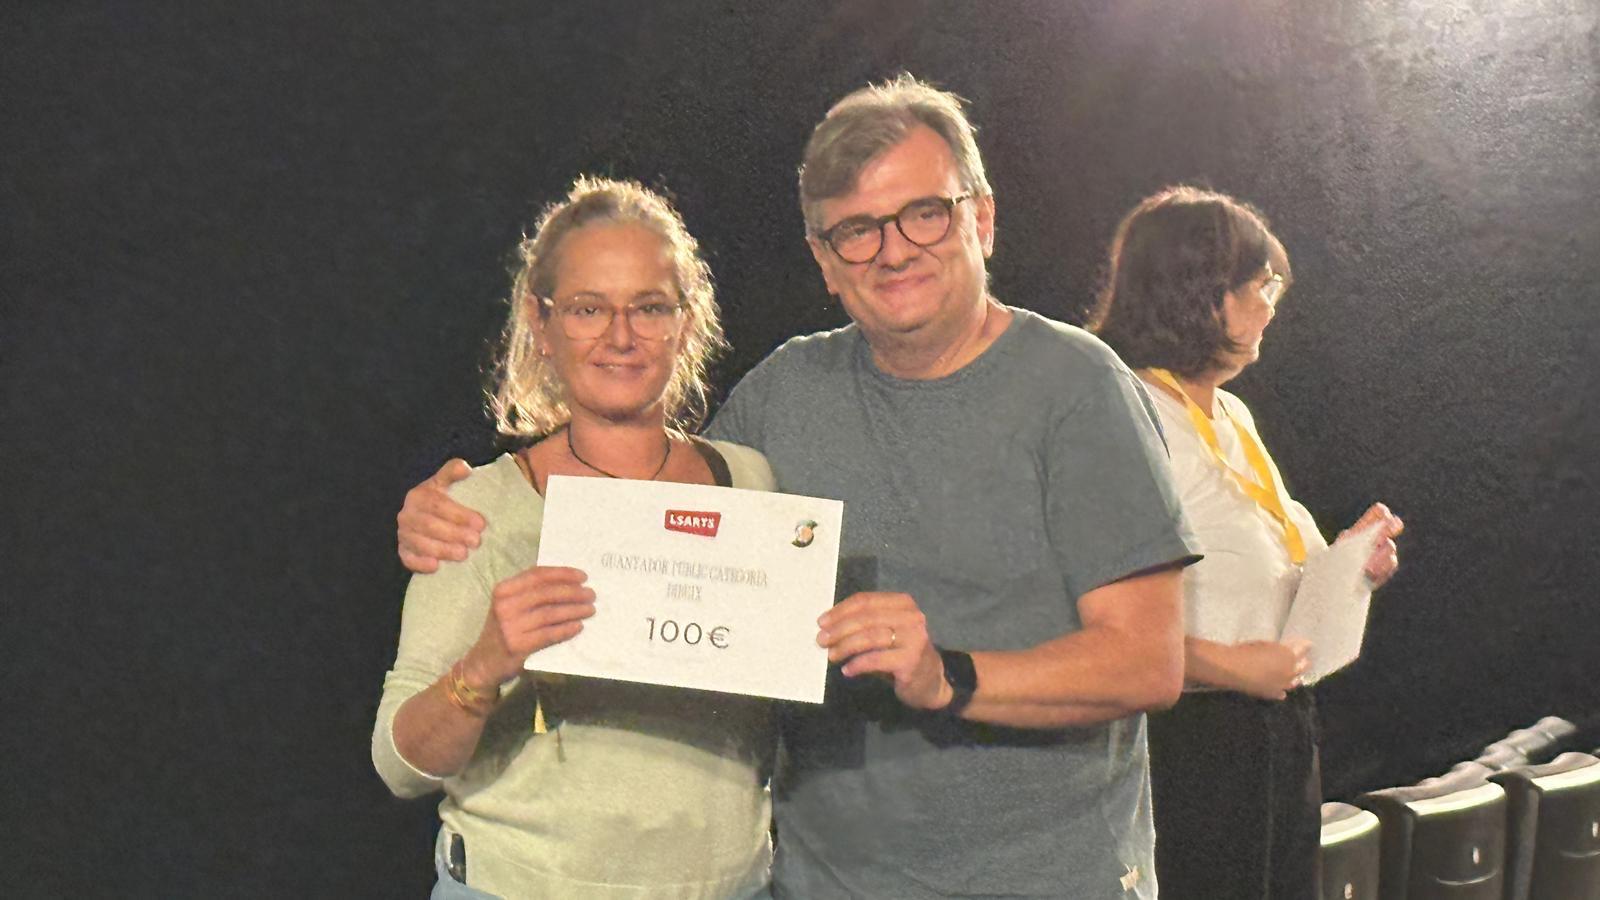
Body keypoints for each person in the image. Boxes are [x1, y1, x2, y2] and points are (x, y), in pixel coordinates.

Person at [397, 76, 1200, 898]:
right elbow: (656, 510)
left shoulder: (1079, 386)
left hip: (1042, 879)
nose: (893, 251)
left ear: (982, 219)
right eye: (856, 230)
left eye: (925, 213)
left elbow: (1146, 662)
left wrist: (948, 676)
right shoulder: (786, 394)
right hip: (819, 883)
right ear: (823, 259)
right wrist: (449, 509)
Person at [372, 176, 778, 900]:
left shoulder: (749, 482)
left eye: (649, 307)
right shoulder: (476, 510)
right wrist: (485, 665)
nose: (621, 337)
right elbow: (400, 765)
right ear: (541, 321)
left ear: (685, 321)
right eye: (589, 308)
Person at [1088, 185, 1404, 898]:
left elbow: (1271, 562)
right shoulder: (1126, 411)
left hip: (1274, 721)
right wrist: (1228, 668)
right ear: (1197, 295)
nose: (1271, 306)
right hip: (1190, 734)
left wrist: (1350, 565)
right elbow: (1090, 612)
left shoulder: (1230, 412)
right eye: (1259, 286)